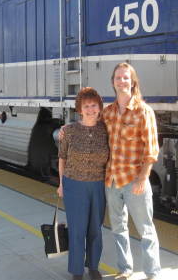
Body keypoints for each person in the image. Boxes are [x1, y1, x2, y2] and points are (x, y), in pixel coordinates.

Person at [103, 62, 161, 280]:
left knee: (146, 230)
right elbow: (93, 132)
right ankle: (125, 269)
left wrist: (142, 179)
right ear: (113, 82)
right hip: (112, 181)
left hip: (134, 181)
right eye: (118, 78)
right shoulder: (107, 113)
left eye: (125, 77)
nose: (121, 81)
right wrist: (67, 131)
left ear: (133, 81)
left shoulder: (143, 111)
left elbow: (151, 149)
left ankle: (152, 273)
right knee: (118, 228)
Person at [57, 87, 109, 280]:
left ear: (99, 108)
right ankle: (77, 271)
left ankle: (93, 267)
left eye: (94, 105)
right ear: (80, 109)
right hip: (74, 185)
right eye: (86, 106)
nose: (90, 109)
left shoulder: (105, 130)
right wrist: (61, 184)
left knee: (95, 228)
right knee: (77, 229)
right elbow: (62, 158)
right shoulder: (69, 131)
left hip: (98, 185)